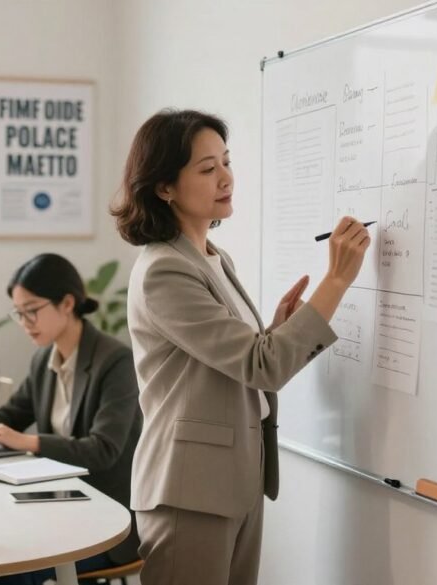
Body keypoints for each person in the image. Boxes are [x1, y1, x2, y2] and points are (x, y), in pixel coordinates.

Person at [111, 109, 370, 585]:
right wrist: (336, 280)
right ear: (164, 187)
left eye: (226, 162)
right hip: (188, 492)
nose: (226, 177)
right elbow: (261, 365)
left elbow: (242, 357)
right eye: (207, 169)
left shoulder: (212, 257)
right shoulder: (164, 271)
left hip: (234, 479)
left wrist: (277, 329)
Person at [0, 253, 142, 584]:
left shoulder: (115, 362)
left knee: (0, 572)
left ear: (67, 303)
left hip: (107, 522)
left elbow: (103, 450)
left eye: (32, 310)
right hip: (56, 509)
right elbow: (13, 414)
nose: (25, 322)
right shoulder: (44, 359)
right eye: (19, 313)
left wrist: (28, 442)